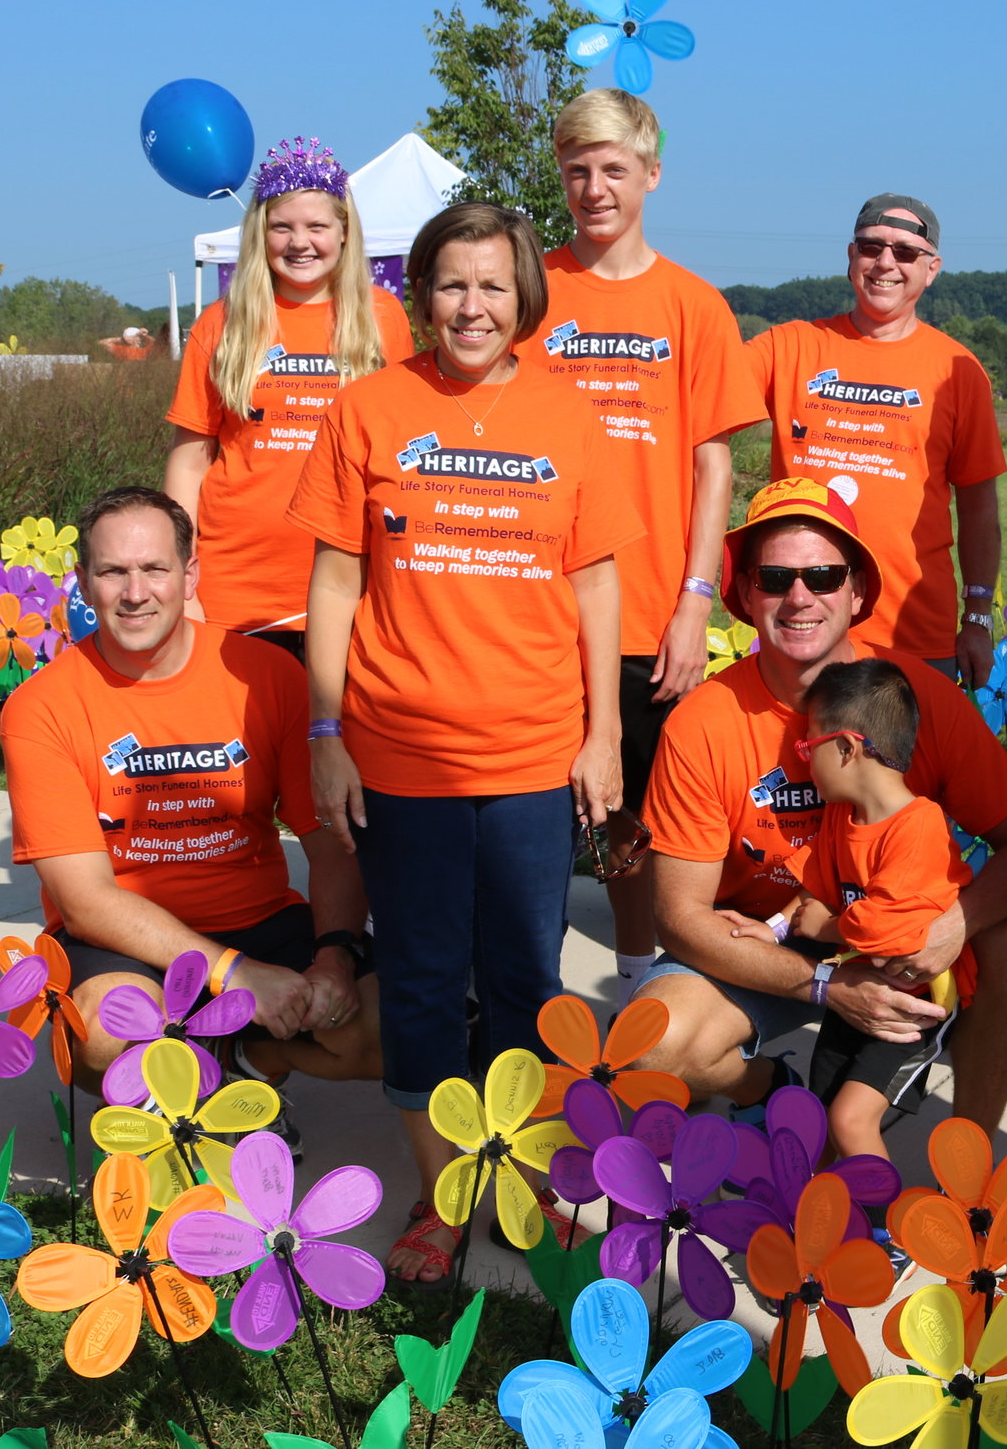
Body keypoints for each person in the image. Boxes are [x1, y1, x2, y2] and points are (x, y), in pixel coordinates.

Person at [292, 201, 638, 1285]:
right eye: (452, 283)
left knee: (528, 976)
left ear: (523, 293)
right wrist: (327, 731)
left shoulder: (567, 417)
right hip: (401, 751)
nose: (473, 305)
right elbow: (336, 582)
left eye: (493, 284)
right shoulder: (370, 409)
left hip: (536, 750)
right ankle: (443, 1195)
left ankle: (523, 1168)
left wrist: (605, 735)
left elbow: (595, 584)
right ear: (421, 292)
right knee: (431, 980)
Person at [632, 479, 1007, 1134]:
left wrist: (951, 924)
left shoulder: (918, 696)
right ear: (744, 593)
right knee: (650, 1044)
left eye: (823, 575)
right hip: (763, 941)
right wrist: (823, 984)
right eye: (776, 576)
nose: (800, 596)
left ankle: (968, 1173)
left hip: (894, 936)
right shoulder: (703, 720)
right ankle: (770, 1092)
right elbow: (679, 916)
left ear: (856, 593)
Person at [2, 487, 379, 1114]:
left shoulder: (267, 675)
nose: (134, 592)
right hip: (124, 940)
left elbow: (329, 838)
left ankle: (244, 1068)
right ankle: (180, 1125)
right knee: (106, 1030)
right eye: (113, 571)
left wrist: (335, 955)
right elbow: (86, 903)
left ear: (190, 573)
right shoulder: (41, 708)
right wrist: (234, 975)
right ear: (83, 581)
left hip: (260, 921)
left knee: (392, 1025)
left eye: (154, 568)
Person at [522, 90, 762, 1000]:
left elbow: (714, 466)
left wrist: (696, 601)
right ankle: (523, 991)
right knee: (539, 816)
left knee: (634, 820)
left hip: (651, 599)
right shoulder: (530, 290)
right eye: (577, 169)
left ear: (651, 175)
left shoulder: (694, 306)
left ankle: (634, 978)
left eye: (613, 168)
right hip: (538, 603)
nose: (594, 187)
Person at [163, 138, 413, 657]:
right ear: (261, 233)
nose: (300, 242)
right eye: (283, 227)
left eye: (317, 226)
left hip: (352, 582)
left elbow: (403, 454)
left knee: (334, 737)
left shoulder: (382, 318)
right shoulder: (223, 324)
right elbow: (189, 464)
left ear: (344, 232)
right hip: (236, 589)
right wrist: (180, 578)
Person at [746, 194, 1005, 687]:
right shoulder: (789, 346)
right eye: (871, 247)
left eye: (905, 252)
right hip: (803, 619)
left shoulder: (958, 370)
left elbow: (978, 509)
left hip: (912, 630)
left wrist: (977, 617)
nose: (885, 262)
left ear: (932, 269)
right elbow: (700, 391)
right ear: (850, 257)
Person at [775, 659, 979, 1162]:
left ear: (846, 748)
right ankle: (828, 1222)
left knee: (850, 1119)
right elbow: (815, 886)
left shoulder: (919, 824)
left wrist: (826, 927)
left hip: (915, 1007)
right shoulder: (842, 817)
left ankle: (888, 1233)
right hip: (861, 987)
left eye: (808, 746)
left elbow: (893, 929)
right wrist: (773, 928)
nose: (803, 759)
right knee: (821, 1115)